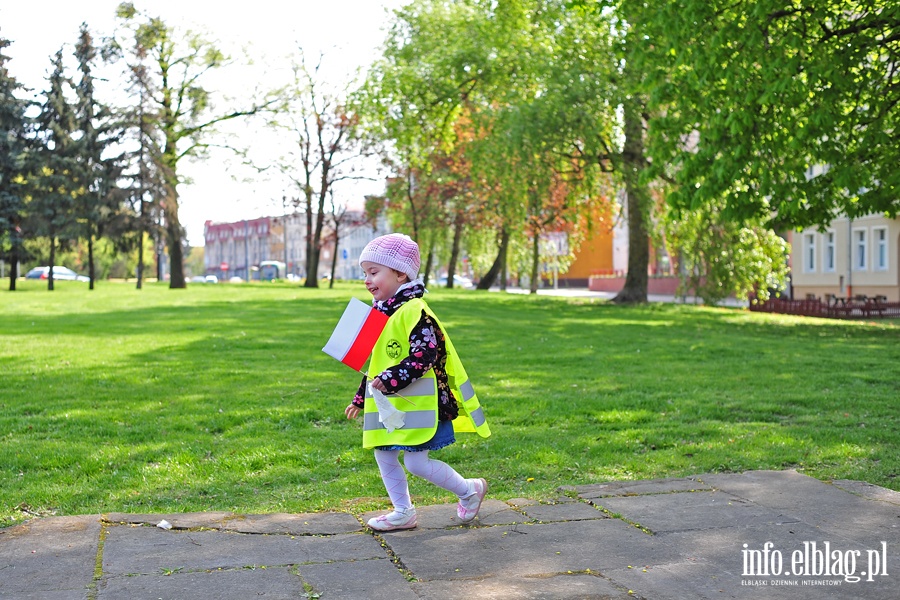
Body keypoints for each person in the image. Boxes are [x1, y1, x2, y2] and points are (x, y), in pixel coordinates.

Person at [344, 233, 491, 531]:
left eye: (374, 272)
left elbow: (425, 355)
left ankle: (469, 490)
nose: (367, 280)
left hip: (420, 402)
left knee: (416, 463)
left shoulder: (415, 312)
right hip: (390, 403)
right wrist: (361, 397)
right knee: (383, 452)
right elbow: (377, 362)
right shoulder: (380, 312)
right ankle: (403, 511)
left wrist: (391, 379)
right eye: (365, 273)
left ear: (401, 274)